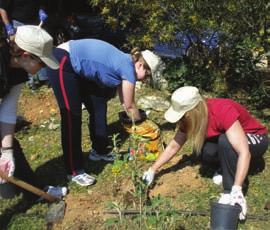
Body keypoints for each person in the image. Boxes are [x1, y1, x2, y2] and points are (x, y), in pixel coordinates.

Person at [46, 39, 163, 186]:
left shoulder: (126, 65)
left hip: (75, 62)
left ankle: (99, 150)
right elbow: (130, 106)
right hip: (63, 60)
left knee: (98, 104)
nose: (145, 80)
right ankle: (74, 171)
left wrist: (136, 120)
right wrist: (144, 127)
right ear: (139, 65)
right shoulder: (127, 68)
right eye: (147, 75)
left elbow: (124, 103)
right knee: (71, 116)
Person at [143, 86, 268, 220]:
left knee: (225, 141)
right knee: (205, 151)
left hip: (255, 138)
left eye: (182, 116)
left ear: (193, 112)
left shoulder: (222, 110)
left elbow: (244, 152)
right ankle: (224, 168)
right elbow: (173, 146)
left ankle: (229, 190)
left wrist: (236, 189)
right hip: (229, 139)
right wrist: (152, 169)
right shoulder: (188, 119)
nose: (180, 121)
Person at [0, 25, 66, 199]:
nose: (43, 67)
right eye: (42, 62)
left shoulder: (20, 71)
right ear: (25, 55)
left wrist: (6, 152)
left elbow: (7, 110)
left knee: (11, 151)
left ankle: (33, 192)